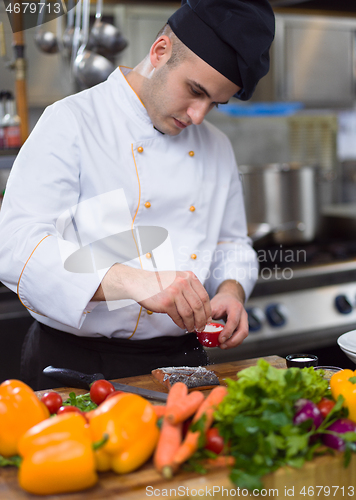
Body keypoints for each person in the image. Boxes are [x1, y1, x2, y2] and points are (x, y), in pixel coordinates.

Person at [0, 0, 275, 390]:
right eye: (194, 90)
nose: (198, 115)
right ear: (160, 51)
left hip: (183, 361)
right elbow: (15, 245)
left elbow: (231, 242)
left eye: (213, 103)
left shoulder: (216, 146)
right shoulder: (73, 121)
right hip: (76, 361)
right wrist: (134, 282)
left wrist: (231, 290)